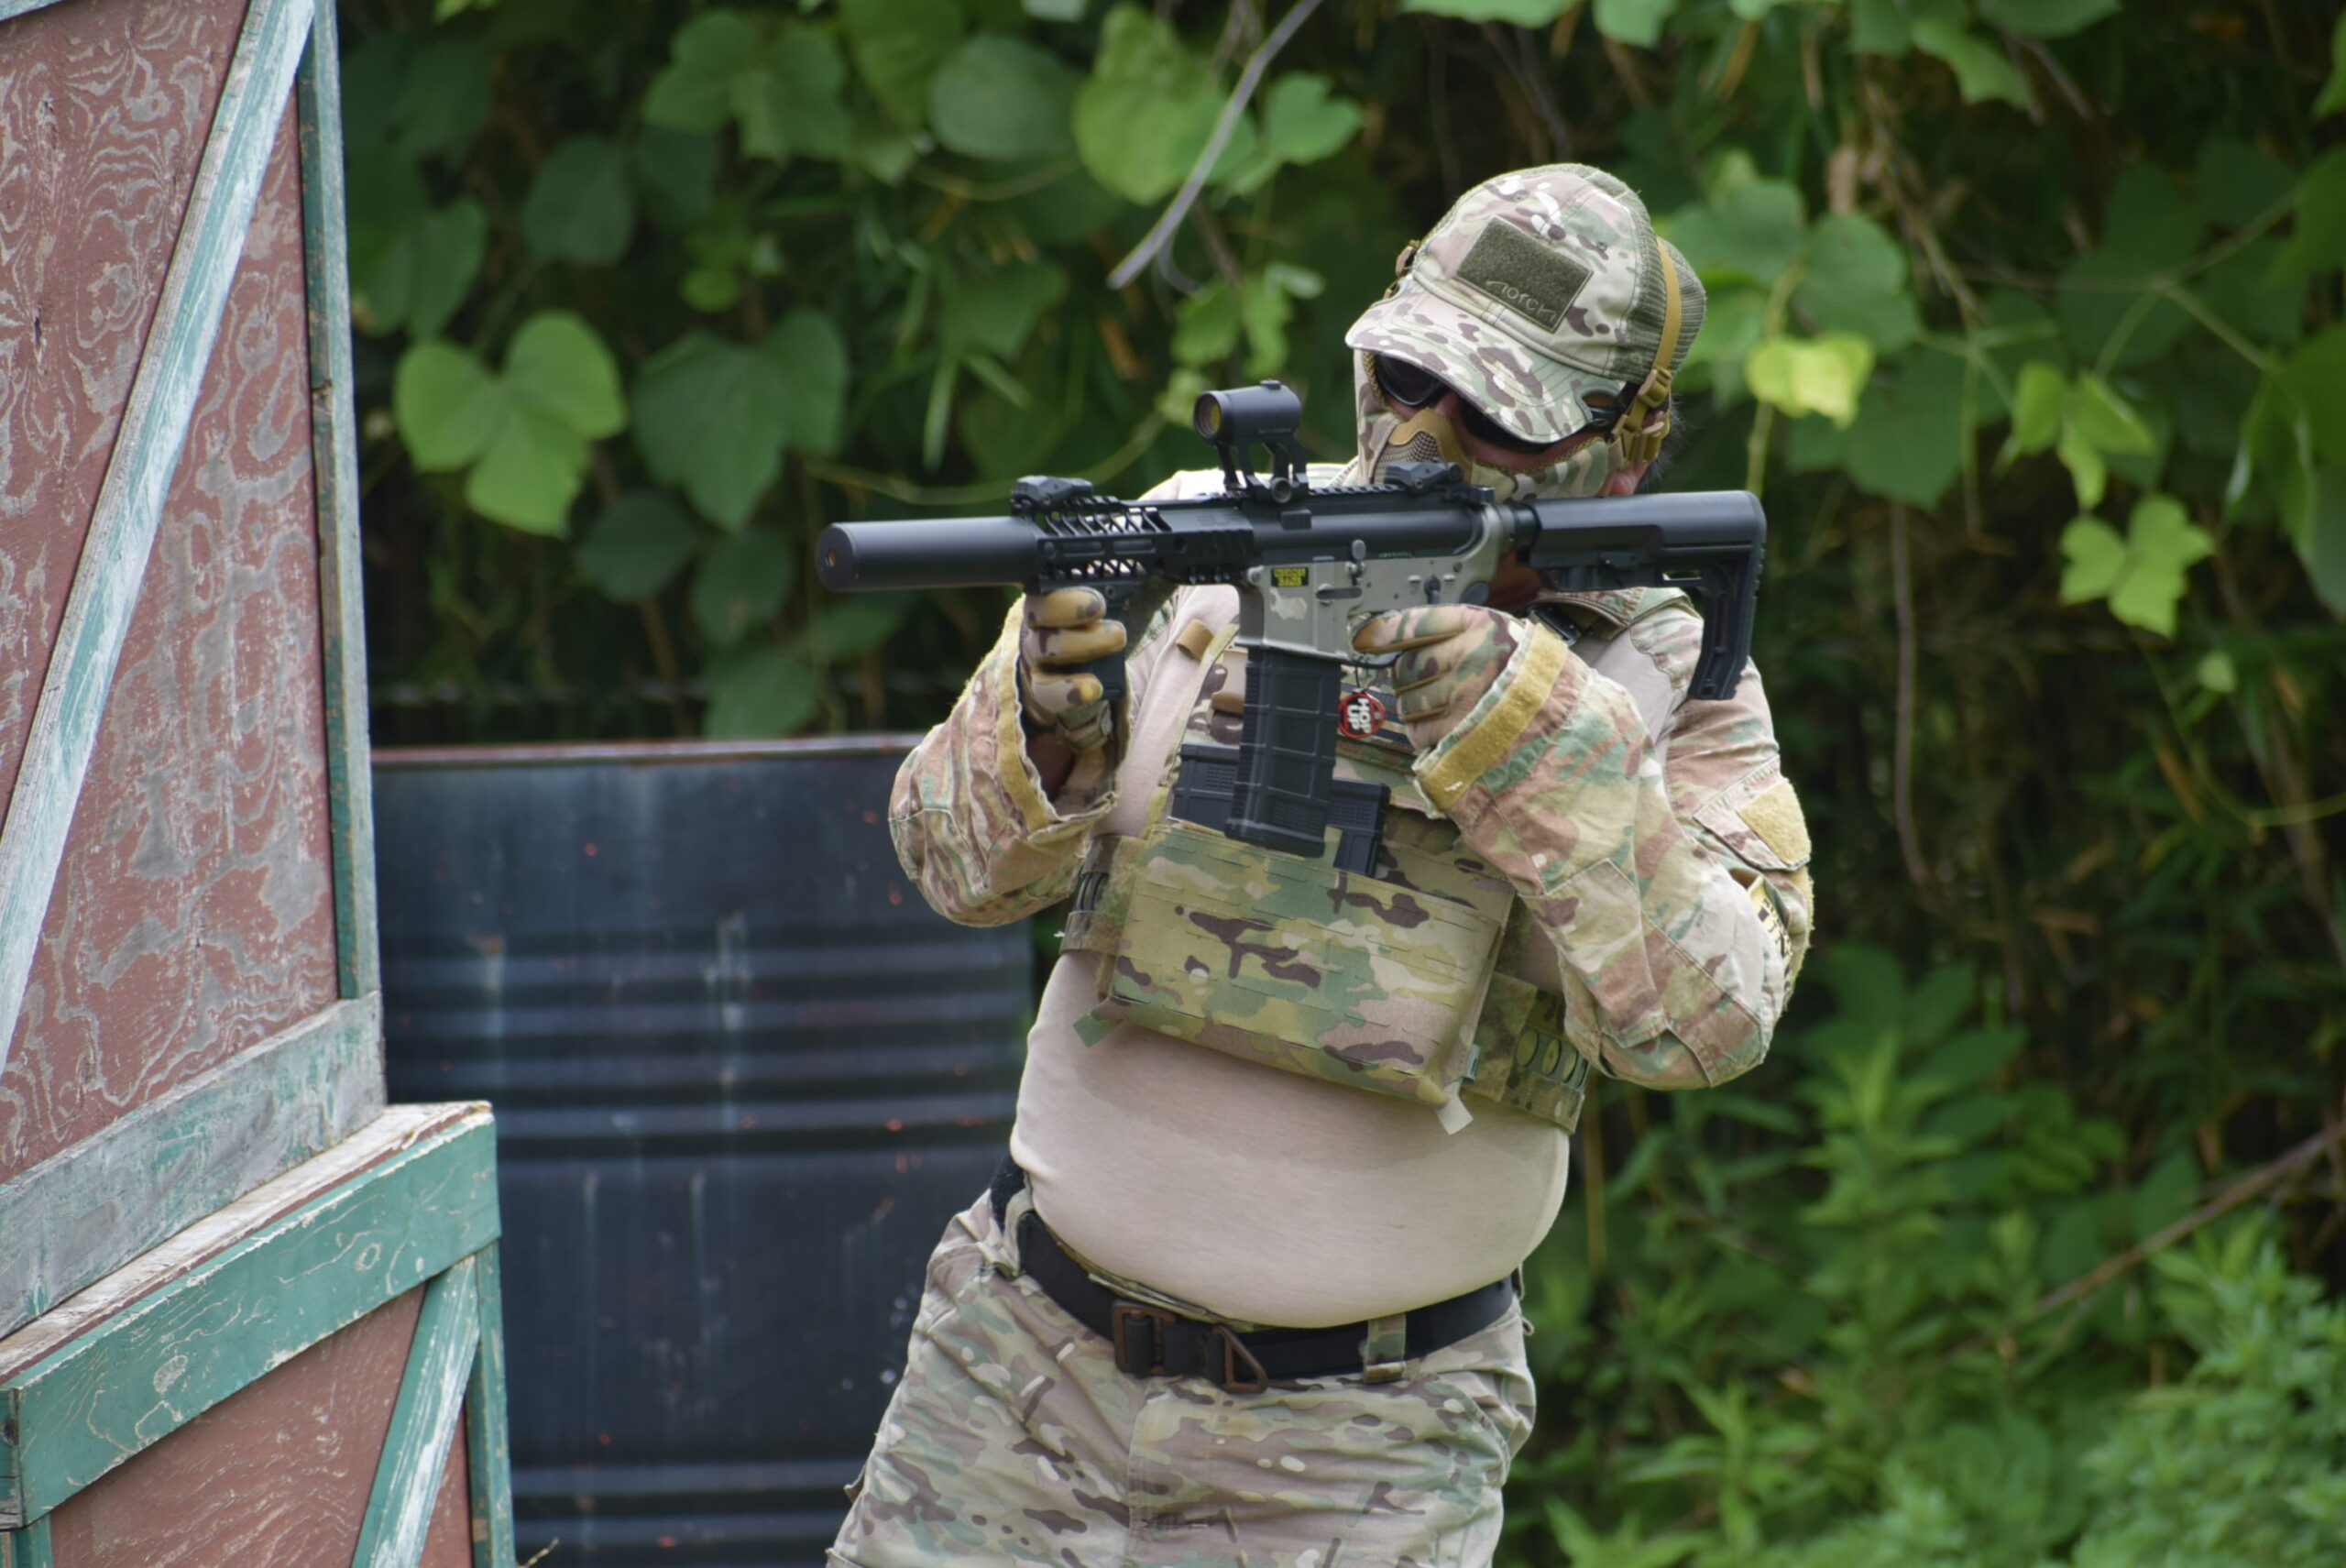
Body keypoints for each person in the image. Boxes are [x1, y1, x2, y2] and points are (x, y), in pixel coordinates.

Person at [830, 164, 1814, 1568]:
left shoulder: (1665, 667)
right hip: (1023, 1378)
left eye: (1497, 416)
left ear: (1624, 449)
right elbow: (948, 866)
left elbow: (1711, 1024)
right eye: (1408, 377)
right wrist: (1042, 736)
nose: (1424, 436)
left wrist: (1530, 734)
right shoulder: (1194, 540)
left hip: (1366, 1450)